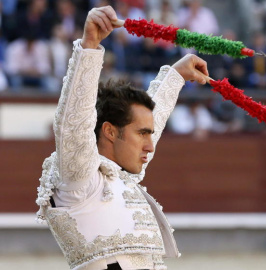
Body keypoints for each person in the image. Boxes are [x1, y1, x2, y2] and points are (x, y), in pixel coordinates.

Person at [35, 6, 209, 270]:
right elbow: (74, 122)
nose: (150, 146)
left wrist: (175, 76)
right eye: (142, 135)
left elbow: (153, 118)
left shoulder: (122, 177)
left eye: (149, 135)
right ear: (109, 132)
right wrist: (90, 46)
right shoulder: (81, 178)